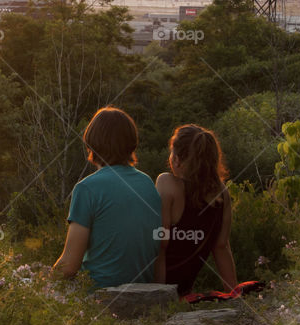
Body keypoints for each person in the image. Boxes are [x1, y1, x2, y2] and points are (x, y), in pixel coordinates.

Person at [53, 107, 161, 288]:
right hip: (144, 291)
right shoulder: (147, 183)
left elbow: (69, 266)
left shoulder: (86, 188)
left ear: (91, 143)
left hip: (99, 295)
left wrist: (40, 283)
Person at [154, 124, 237, 296]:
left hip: (156, 288)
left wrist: (159, 298)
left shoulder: (167, 184)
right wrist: (234, 295)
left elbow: (160, 246)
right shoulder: (221, 194)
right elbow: (221, 248)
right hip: (184, 291)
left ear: (177, 159)